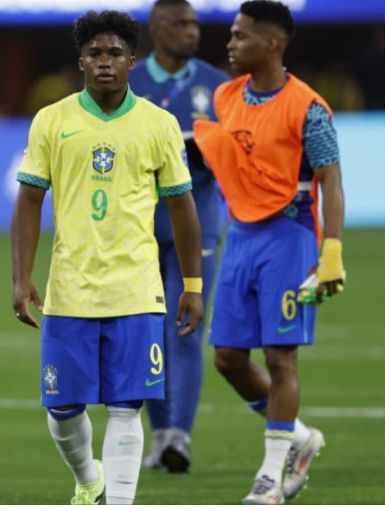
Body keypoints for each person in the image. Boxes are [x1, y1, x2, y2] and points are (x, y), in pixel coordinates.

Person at [11, 10, 204, 505]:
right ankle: (87, 481)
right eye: (95, 53)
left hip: (136, 289)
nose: (104, 62)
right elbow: (30, 202)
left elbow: (183, 206)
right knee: (63, 409)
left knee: (125, 406)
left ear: (131, 61)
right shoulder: (52, 121)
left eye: (114, 53)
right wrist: (20, 278)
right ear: (80, 60)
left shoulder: (159, 125)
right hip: (70, 289)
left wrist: (193, 285)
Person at [192, 1, 344, 503]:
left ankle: (271, 477)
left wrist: (332, 252)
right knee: (229, 358)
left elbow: (331, 181)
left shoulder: (307, 107)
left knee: (281, 358)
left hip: (290, 234)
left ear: (273, 44)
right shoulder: (226, 96)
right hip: (241, 235)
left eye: (240, 36)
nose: (230, 44)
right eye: (232, 35)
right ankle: (298, 437)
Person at [128, 0, 229, 473]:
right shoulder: (130, 82)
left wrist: (213, 154)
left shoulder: (216, 83)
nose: (191, 31)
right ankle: (161, 432)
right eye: (181, 23)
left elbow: (235, 152)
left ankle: (178, 439)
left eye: (194, 23)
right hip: (139, 227)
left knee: (185, 330)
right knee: (148, 330)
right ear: (157, 28)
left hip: (198, 223)